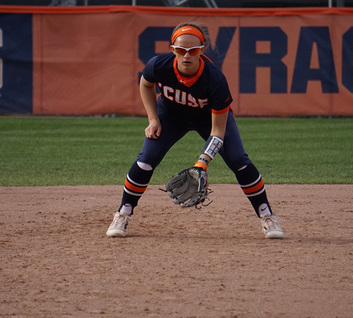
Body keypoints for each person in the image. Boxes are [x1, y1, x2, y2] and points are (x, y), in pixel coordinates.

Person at [106, 22, 284, 239]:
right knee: (146, 159)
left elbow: (217, 131)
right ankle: (123, 213)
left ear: (202, 50)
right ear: (172, 50)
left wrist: (202, 162)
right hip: (171, 114)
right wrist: (153, 118)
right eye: (180, 50)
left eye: (193, 51)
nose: (186, 56)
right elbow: (145, 84)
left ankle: (267, 216)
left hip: (207, 118)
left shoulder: (215, 80)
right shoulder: (159, 65)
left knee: (239, 160)